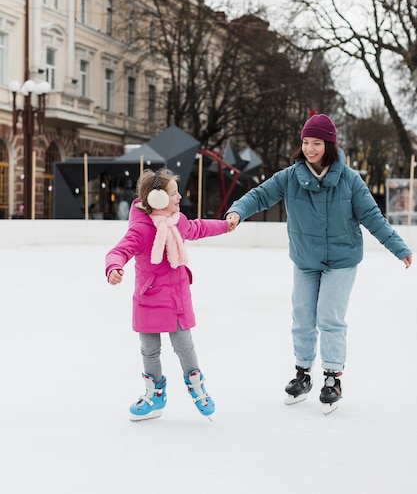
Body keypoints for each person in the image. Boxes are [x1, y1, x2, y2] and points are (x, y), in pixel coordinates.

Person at [226, 114, 412, 413]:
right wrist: (237, 211)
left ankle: (332, 377)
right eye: (306, 142)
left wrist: (398, 247)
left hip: (341, 260)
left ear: (329, 145)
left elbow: (372, 217)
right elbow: (260, 195)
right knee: (302, 316)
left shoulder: (349, 180)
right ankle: (303, 373)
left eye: (316, 143)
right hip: (305, 259)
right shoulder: (289, 177)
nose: (310, 148)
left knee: (329, 317)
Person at [105, 168, 232, 421]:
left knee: (184, 345)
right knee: (149, 349)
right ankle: (154, 394)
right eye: (174, 194)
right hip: (149, 296)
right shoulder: (141, 229)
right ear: (157, 199)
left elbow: (198, 227)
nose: (179, 198)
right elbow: (119, 251)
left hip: (176, 296)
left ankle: (197, 386)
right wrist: (114, 267)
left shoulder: (177, 222)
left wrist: (224, 226)